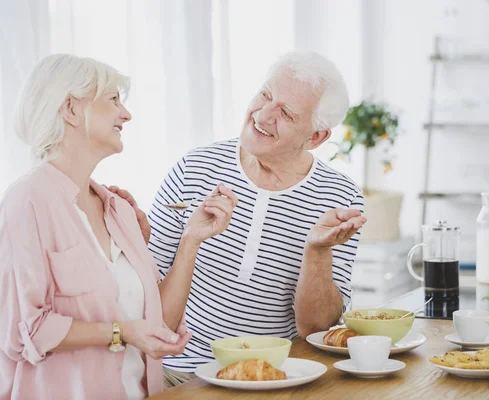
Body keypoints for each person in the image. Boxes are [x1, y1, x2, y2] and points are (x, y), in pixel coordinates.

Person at [0, 54, 237, 399]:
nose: (126, 114)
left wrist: (192, 239)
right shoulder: (25, 203)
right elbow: (21, 331)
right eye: (113, 100)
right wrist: (122, 332)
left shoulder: (118, 209)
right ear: (71, 109)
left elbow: (156, 324)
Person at [147, 50, 366, 386]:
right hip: (179, 373)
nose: (263, 116)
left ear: (315, 138)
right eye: (265, 95)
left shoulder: (340, 197)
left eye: (287, 113)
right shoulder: (194, 168)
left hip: (276, 376)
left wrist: (317, 251)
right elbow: (146, 299)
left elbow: (316, 328)